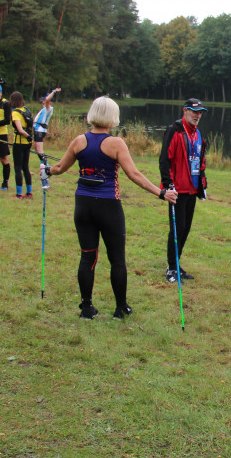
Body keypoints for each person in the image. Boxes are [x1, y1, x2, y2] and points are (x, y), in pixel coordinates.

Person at [43, 96, 178, 319]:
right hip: (108, 207)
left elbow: (59, 168)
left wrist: (47, 170)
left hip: (83, 206)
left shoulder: (78, 141)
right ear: (113, 117)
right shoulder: (116, 143)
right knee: (117, 259)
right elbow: (134, 174)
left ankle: (86, 308)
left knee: (88, 257)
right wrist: (161, 193)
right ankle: (120, 308)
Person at [159, 98, 209, 283]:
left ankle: (176, 264)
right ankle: (171, 269)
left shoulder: (198, 134)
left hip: (192, 189)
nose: (197, 115)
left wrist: (202, 184)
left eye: (200, 112)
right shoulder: (175, 130)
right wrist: (168, 186)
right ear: (185, 111)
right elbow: (165, 160)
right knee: (177, 228)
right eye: (194, 111)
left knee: (185, 228)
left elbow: (201, 161)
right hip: (177, 190)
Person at [10, 91, 34, 199]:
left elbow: (19, 130)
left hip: (19, 143)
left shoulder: (15, 113)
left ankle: (19, 194)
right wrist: (30, 137)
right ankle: (29, 192)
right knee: (26, 167)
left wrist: (27, 136)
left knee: (18, 168)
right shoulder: (27, 110)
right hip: (27, 144)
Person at [32, 87, 61, 156]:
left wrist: (54, 91)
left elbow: (48, 99)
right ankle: (43, 164)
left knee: (39, 149)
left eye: (44, 100)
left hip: (40, 130)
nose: (43, 101)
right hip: (37, 129)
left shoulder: (49, 108)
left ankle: (45, 164)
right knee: (37, 148)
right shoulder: (44, 109)